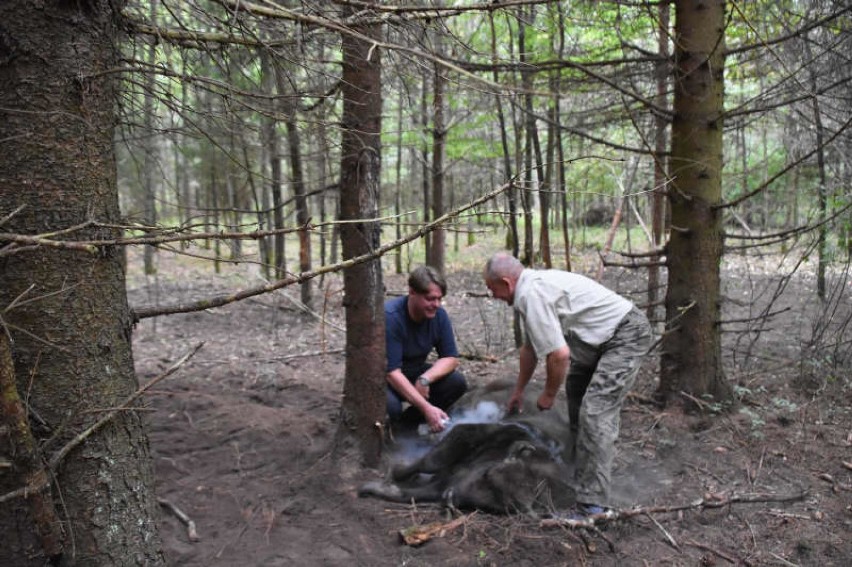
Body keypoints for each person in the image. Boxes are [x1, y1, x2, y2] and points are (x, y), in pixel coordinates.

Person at [483, 252, 652, 515]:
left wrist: (549, 394)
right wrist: (519, 391)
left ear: (506, 283)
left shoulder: (531, 294)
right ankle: (579, 469)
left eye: (491, 289)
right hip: (595, 341)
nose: (492, 296)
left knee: (595, 412)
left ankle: (593, 505)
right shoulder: (527, 292)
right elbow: (529, 349)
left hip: (624, 335)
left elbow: (559, 355)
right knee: (576, 393)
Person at [385, 266, 467, 433]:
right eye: (430, 299)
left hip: (416, 374)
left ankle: (407, 426)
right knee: (391, 407)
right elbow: (391, 373)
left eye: (439, 299)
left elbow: (451, 358)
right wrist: (427, 408)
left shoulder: (439, 316)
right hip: (387, 380)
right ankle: (392, 428)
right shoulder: (391, 317)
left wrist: (425, 378)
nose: (436, 305)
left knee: (456, 383)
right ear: (412, 292)